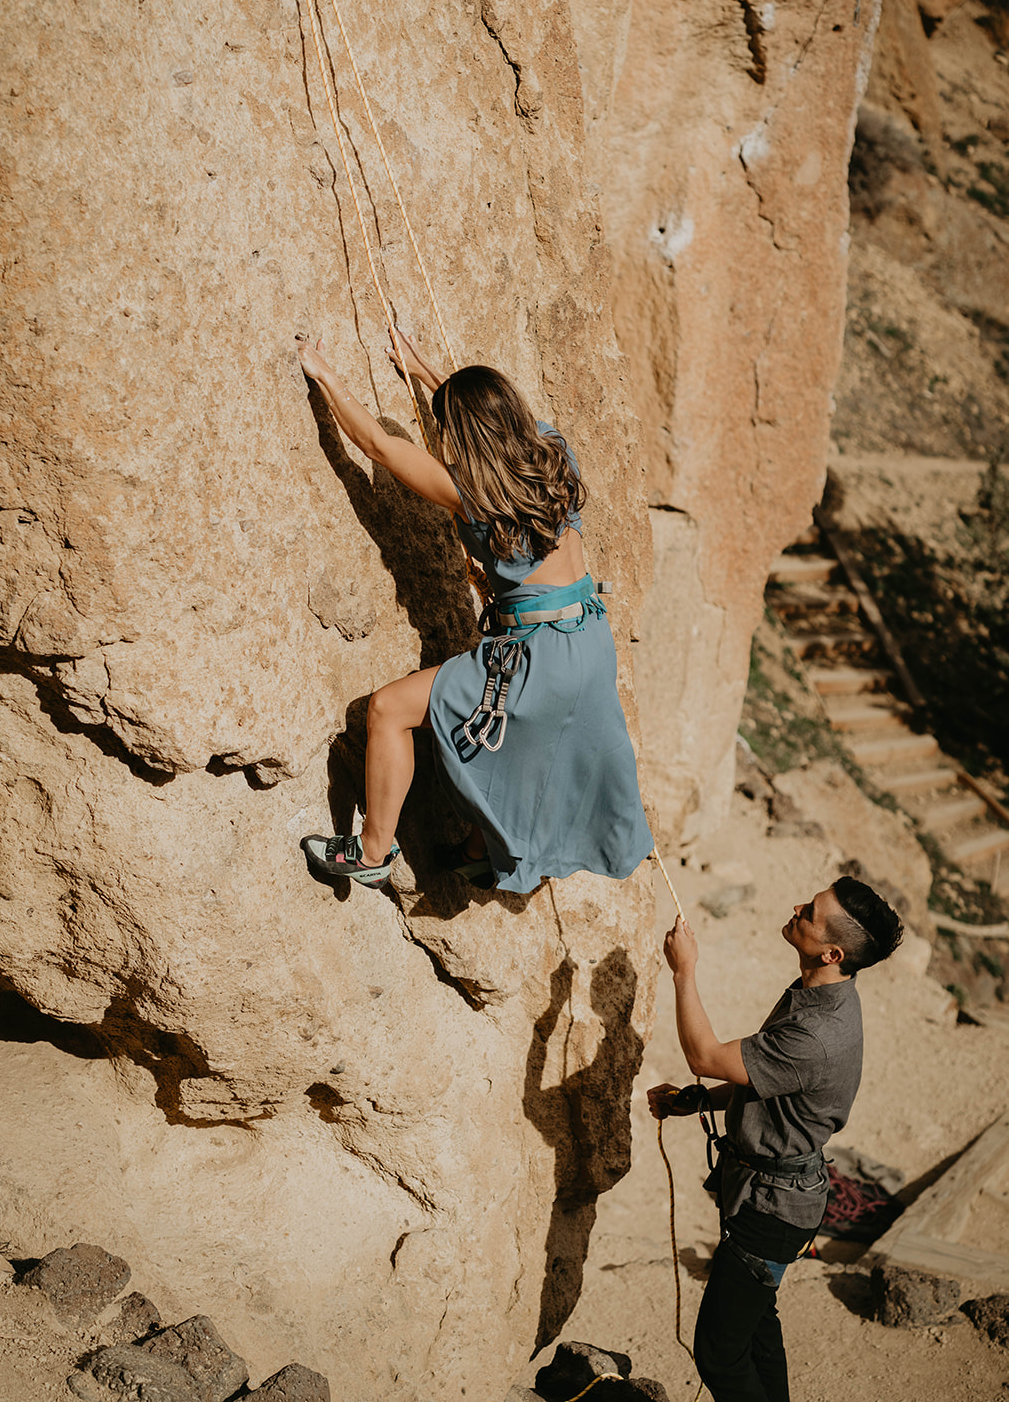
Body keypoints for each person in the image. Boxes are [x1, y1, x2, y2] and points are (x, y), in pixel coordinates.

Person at [295, 330, 654, 893]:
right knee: (533, 743)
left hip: (536, 654)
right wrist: (424, 371)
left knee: (390, 710)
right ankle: (478, 850)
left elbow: (379, 448)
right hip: (588, 640)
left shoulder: (472, 491)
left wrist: (327, 378)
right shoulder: (554, 452)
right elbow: (492, 417)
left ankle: (370, 853)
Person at [647, 875, 904, 1402]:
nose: (796, 907)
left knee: (719, 1353)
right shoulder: (820, 995)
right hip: (772, 1197)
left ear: (832, 951)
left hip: (772, 1211)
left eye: (809, 911)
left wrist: (684, 971)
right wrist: (698, 1100)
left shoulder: (818, 1034)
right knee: (758, 1327)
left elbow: (704, 1057)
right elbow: (764, 1080)